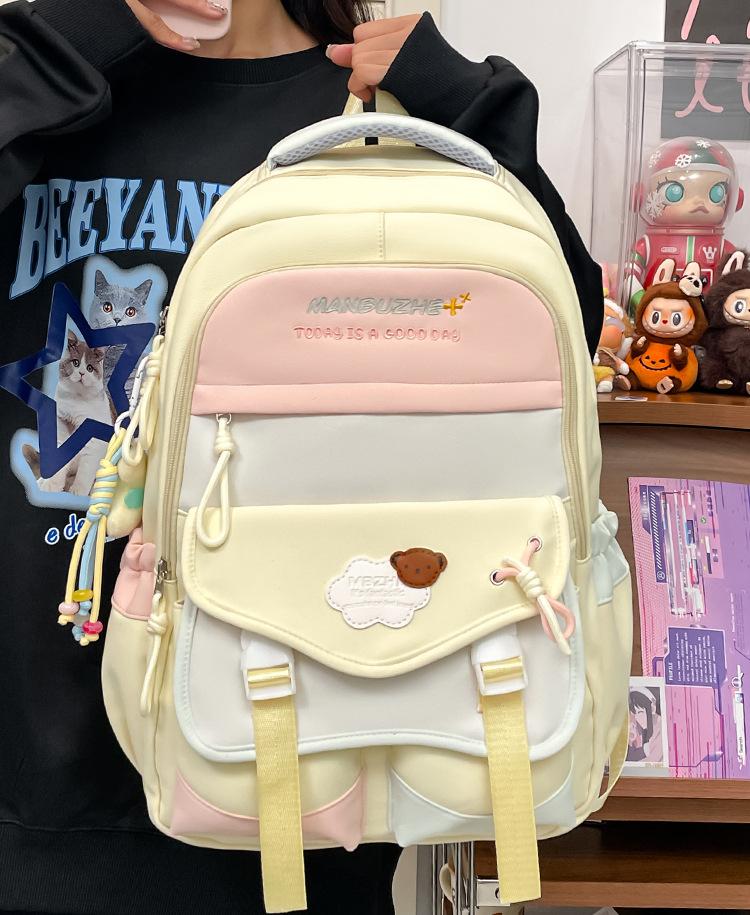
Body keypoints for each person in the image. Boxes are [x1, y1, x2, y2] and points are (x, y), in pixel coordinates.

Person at [0, 2, 602, 912]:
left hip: (297, 792)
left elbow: (558, 349)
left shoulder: (374, 113)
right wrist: (72, 36)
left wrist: (466, 107)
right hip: (30, 789)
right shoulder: (49, 79)